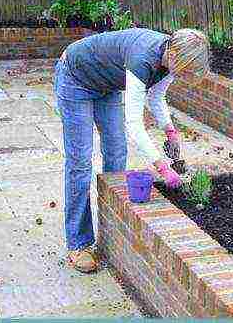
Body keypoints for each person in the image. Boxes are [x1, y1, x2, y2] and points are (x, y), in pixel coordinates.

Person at [53, 27, 210, 273]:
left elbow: (156, 98)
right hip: (76, 77)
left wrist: (170, 130)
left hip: (106, 84)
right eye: (186, 70)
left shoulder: (170, 59)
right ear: (177, 55)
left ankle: (111, 222)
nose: (184, 75)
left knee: (116, 150)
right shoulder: (142, 59)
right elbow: (135, 125)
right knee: (81, 161)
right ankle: (79, 243)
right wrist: (162, 166)